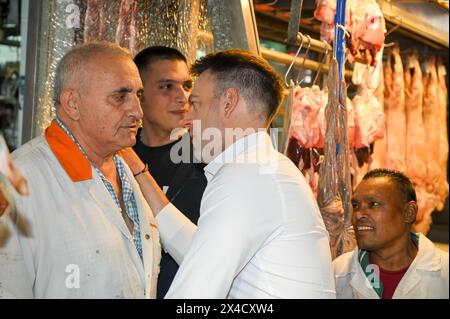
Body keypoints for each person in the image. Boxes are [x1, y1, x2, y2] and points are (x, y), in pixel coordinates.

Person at [120, 49, 336, 298]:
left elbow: (194, 296)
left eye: (196, 103)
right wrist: (136, 167)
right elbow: (198, 252)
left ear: (228, 103)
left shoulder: (245, 175)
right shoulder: (264, 167)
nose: (187, 117)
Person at [0, 42, 161, 298]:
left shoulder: (124, 167)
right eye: (120, 97)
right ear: (73, 104)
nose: (137, 111)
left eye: (138, 96)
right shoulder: (19, 180)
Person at [133, 46, 207, 298]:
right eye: (166, 87)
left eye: (186, 86)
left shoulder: (207, 160)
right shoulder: (118, 155)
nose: (183, 98)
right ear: (139, 96)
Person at [333, 168, 449, 299]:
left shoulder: (446, 272)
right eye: (355, 205)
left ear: (408, 212)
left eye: (373, 204)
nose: (358, 214)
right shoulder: (338, 272)